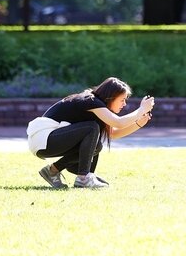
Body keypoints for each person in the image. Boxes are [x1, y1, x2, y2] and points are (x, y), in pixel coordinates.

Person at [27, 77, 155, 188]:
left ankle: (52, 171)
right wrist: (142, 109)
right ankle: (84, 178)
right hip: (43, 138)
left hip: (48, 141)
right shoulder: (91, 100)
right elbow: (118, 122)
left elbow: (113, 134)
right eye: (122, 100)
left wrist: (138, 124)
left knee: (97, 145)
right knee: (92, 128)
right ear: (111, 97)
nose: (124, 104)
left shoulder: (99, 108)